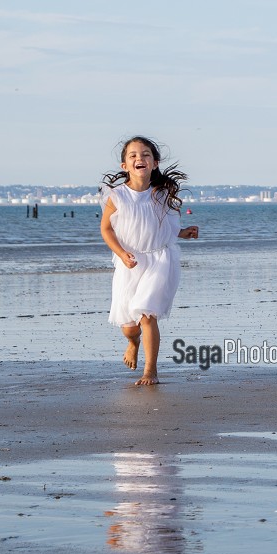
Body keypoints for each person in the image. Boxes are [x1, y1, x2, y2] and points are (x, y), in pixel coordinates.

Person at [99, 136, 199, 386]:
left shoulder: (162, 194)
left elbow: (162, 226)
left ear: (154, 163)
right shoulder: (117, 196)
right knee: (129, 326)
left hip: (160, 259)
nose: (138, 158)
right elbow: (107, 230)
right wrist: (122, 254)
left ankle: (150, 371)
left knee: (147, 313)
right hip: (130, 261)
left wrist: (183, 232)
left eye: (145, 154)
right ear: (125, 166)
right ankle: (132, 342)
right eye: (132, 155)